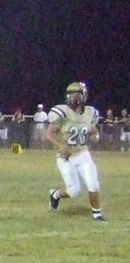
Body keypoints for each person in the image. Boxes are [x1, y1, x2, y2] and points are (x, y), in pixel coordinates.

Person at [47, 82, 104, 221]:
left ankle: (98, 215)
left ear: (84, 95)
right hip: (66, 157)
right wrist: (61, 145)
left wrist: (96, 136)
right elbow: (49, 133)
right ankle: (55, 194)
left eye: (77, 93)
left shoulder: (91, 112)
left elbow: (93, 131)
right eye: (71, 94)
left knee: (93, 184)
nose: (74, 97)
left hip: (83, 154)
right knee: (74, 191)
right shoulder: (62, 112)